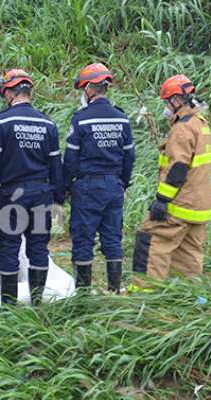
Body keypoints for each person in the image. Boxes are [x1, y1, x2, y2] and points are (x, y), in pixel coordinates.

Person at [0, 69, 64, 306]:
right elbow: (56, 163)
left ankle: (8, 308)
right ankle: (37, 305)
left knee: (8, 250)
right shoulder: (47, 123)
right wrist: (59, 195)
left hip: (11, 196)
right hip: (41, 194)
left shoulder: (1, 122)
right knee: (38, 248)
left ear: (8, 93)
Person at [132, 75, 211, 279]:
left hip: (181, 204)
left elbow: (177, 168)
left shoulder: (182, 129)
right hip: (200, 206)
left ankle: (145, 292)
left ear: (176, 100)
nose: (165, 107)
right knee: (188, 252)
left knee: (149, 236)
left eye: (166, 102)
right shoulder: (201, 124)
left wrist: (162, 200)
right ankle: (187, 296)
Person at [63, 63, 135, 292]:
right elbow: (129, 156)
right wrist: (123, 182)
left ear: (90, 89)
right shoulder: (121, 119)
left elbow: (71, 158)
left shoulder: (81, 119)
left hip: (87, 186)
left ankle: (83, 294)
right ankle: (114, 290)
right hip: (114, 185)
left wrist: (66, 186)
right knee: (112, 238)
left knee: (84, 239)